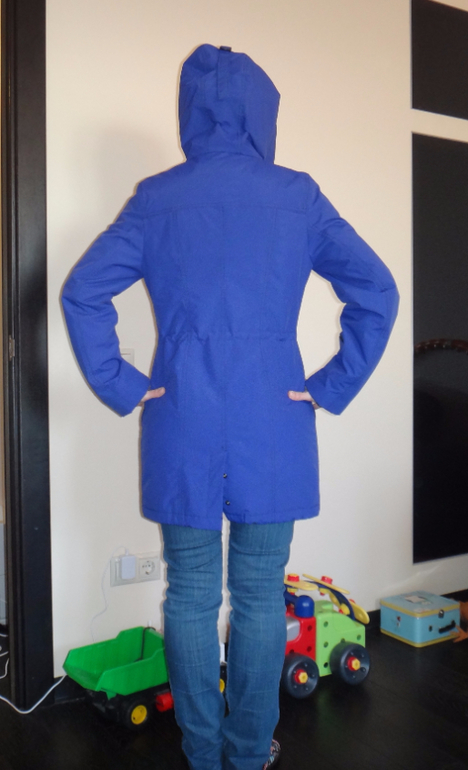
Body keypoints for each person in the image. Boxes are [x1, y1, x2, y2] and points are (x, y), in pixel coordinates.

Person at [62, 44, 399, 770]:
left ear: (191, 111)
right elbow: (377, 290)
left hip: (181, 415)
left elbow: (82, 292)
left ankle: (202, 750)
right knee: (258, 595)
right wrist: (330, 384)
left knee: (188, 595)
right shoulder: (297, 196)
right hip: (271, 421)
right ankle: (247, 753)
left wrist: (124, 383)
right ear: (261, 111)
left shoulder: (156, 197)